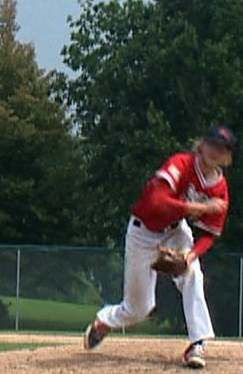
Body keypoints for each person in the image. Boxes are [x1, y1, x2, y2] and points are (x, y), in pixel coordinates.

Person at [84, 125, 235, 369]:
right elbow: (157, 202)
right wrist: (201, 209)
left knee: (193, 273)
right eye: (212, 144)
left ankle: (198, 344)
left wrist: (191, 254)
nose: (215, 151)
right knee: (139, 308)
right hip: (142, 233)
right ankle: (104, 322)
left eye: (222, 148)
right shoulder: (181, 164)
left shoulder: (220, 190)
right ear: (202, 144)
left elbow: (209, 235)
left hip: (175, 231)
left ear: (228, 157)